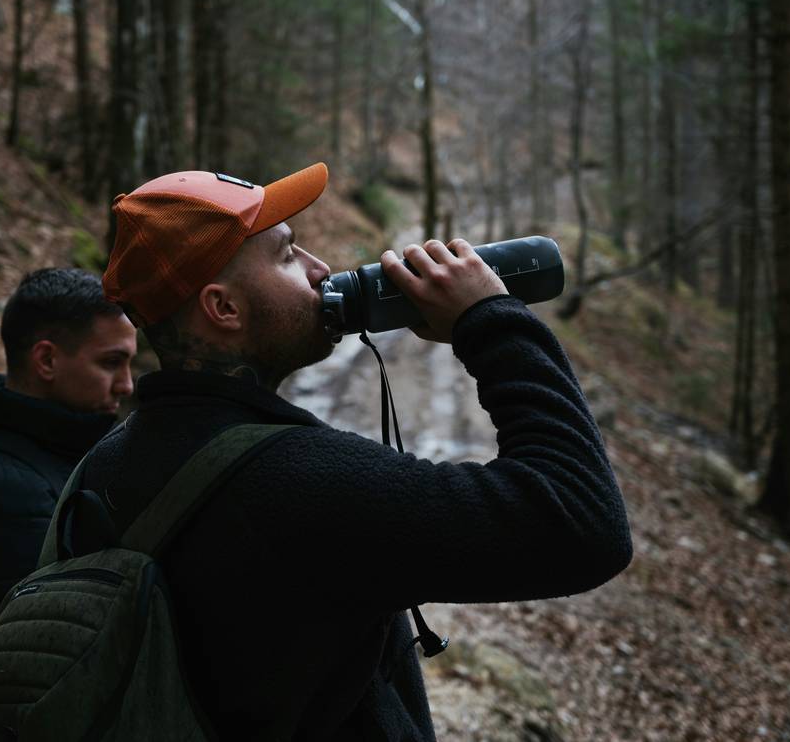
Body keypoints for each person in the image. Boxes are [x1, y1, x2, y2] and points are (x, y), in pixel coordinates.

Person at [82, 163, 632, 740]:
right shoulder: (305, 487)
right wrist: (491, 323)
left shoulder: (105, 464)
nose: (322, 270)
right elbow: (581, 522)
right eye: (289, 255)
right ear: (224, 309)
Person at [0, 267, 137, 738]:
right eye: (111, 363)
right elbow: (16, 690)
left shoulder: (42, 456)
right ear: (47, 360)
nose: (127, 385)